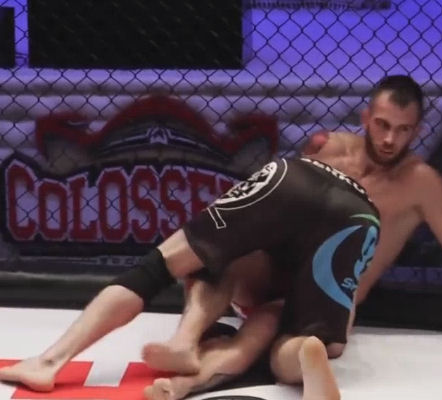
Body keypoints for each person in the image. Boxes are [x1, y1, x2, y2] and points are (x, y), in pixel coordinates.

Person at [140, 75, 442, 400]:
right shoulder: (326, 149)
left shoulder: (423, 185)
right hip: (276, 271)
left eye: (403, 130)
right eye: (383, 125)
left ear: (418, 131)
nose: (390, 139)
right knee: (221, 257)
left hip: (330, 295)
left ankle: (187, 385)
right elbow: (272, 207)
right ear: (366, 117)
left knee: (261, 330)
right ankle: (189, 342)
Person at [0, 151, 380, 400]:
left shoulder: (250, 285)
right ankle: (307, 354)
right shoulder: (273, 309)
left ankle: (51, 362)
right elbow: (247, 347)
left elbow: (239, 339)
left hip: (296, 176)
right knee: (306, 342)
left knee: (163, 266)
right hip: (361, 213)